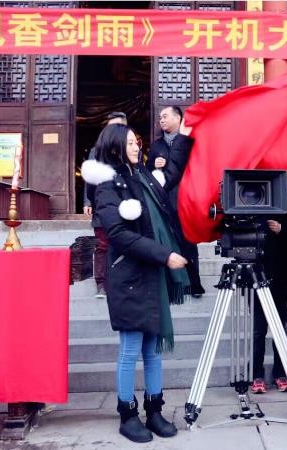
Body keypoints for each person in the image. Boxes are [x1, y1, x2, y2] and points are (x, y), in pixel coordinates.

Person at [81, 121, 194, 443]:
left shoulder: (142, 176)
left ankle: (154, 410)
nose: (137, 146)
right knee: (131, 348)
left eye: (137, 141)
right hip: (129, 275)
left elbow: (170, 176)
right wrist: (163, 255)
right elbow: (118, 233)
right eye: (130, 142)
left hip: (151, 273)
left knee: (153, 350)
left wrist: (184, 137)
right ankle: (127, 414)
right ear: (116, 146)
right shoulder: (107, 186)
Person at [147, 106, 205, 298]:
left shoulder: (191, 141)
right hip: (164, 201)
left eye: (165, 116)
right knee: (169, 243)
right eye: (160, 117)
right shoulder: (156, 146)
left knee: (189, 242)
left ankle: (194, 284)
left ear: (177, 118)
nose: (161, 120)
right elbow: (148, 172)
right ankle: (175, 285)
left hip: (186, 200)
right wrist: (154, 165)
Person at [250, 191, 287, 394]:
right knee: (258, 331)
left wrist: (282, 230)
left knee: (280, 328)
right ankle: (257, 375)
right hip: (256, 275)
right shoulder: (250, 196)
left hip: (281, 276)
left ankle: (281, 373)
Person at [83, 111, 127, 299]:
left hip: (125, 208)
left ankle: (120, 281)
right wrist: (87, 201)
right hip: (102, 208)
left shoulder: (131, 150)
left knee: (124, 245)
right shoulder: (96, 151)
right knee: (102, 245)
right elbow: (90, 181)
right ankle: (101, 283)